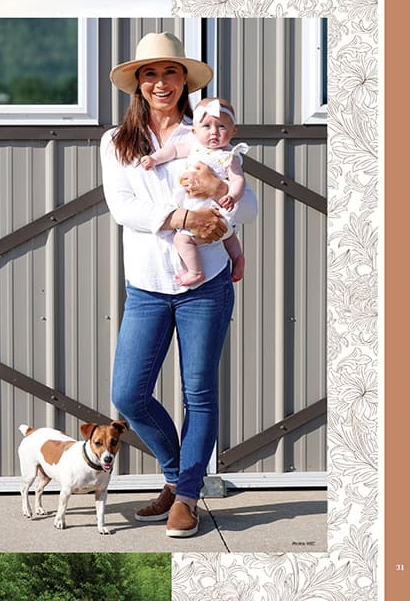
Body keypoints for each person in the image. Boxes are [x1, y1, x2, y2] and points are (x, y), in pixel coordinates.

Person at [101, 32, 257, 538]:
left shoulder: (208, 132)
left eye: (170, 72)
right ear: (138, 84)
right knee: (128, 393)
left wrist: (218, 199)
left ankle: (186, 496)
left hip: (206, 284)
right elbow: (123, 207)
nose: (161, 82)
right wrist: (181, 214)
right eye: (150, 73)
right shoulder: (117, 143)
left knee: (200, 394)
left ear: (184, 80)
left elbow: (246, 208)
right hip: (146, 285)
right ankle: (175, 476)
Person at [139, 97, 250, 284]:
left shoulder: (230, 156)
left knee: (182, 240)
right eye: (206, 126)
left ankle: (195, 272)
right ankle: (238, 258)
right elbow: (173, 150)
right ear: (194, 131)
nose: (214, 132)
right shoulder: (194, 147)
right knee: (228, 235)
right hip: (196, 208)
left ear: (233, 131)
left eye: (222, 127)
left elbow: (238, 179)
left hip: (216, 208)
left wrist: (231, 195)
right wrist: (154, 159)